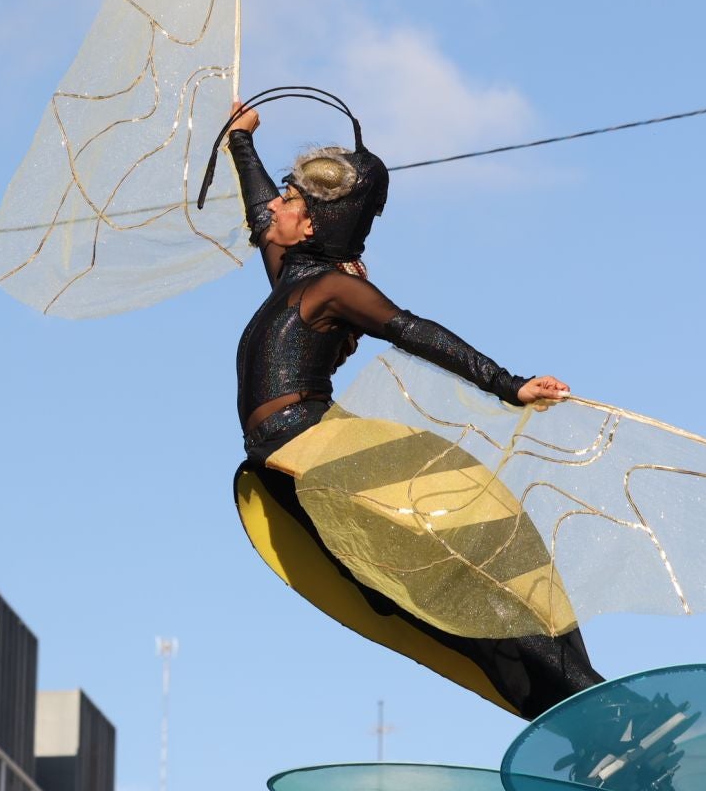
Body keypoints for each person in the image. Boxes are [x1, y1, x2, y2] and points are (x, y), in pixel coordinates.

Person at [224, 100, 602, 718]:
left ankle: (584, 688)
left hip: (315, 446)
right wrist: (242, 144)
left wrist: (509, 385)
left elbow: (415, 332)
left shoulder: (332, 289)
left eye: (289, 200)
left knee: (438, 577)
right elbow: (258, 209)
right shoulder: (292, 277)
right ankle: (557, 704)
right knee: (393, 593)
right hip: (283, 461)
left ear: (313, 225)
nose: (274, 206)